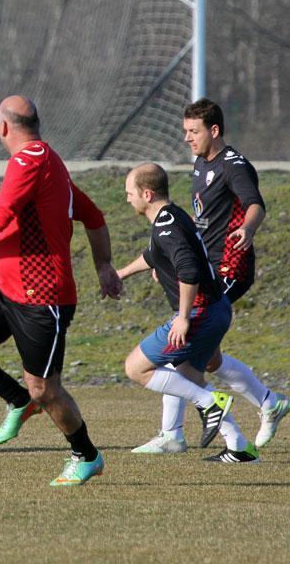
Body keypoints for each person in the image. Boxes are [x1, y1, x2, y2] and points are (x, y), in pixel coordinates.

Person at [0, 95, 122, 486]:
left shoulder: (29, 160)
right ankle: (17, 400)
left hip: (41, 298)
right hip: (5, 288)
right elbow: (94, 216)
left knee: (45, 390)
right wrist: (103, 265)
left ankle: (86, 456)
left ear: (3, 128)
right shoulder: (49, 161)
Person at [132, 98, 289, 455]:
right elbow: (202, 221)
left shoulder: (234, 166)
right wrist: (168, 263)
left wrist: (248, 228)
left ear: (214, 130)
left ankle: (174, 434)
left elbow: (255, 203)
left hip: (230, 269)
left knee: (182, 350)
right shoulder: (201, 163)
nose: (187, 138)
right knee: (208, 358)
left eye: (193, 131)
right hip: (208, 267)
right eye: (185, 130)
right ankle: (268, 403)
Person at [117, 163, 258, 463]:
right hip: (217, 309)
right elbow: (153, 255)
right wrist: (121, 274)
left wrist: (182, 317)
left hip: (200, 313)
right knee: (188, 376)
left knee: (135, 368)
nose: (127, 198)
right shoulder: (172, 215)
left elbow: (189, 270)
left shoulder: (166, 227)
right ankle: (239, 446)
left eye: (130, 193)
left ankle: (210, 403)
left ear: (147, 193)